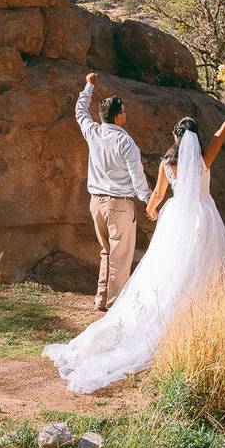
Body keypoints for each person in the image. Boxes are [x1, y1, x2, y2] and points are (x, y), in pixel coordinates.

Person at [44, 84, 225, 394]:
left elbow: (156, 195)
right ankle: (193, 318)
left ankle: (154, 314)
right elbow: (223, 130)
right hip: (204, 218)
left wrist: (153, 209)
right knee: (201, 268)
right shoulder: (204, 159)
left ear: (176, 138)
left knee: (166, 269)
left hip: (175, 218)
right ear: (195, 139)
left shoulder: (168, 164)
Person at [75, 73, 151, 312]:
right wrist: (149, 200)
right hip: (119, 204)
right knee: (121, 256)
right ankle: (115, 305)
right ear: (119, 117)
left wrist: (89, 85)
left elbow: (80, 111)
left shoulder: (93, 132)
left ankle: (101, 298)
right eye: (124, 112)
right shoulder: (127, 143)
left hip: (96, 203)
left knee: (106, 253)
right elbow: (138, 178)